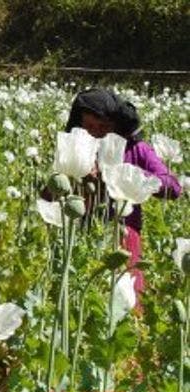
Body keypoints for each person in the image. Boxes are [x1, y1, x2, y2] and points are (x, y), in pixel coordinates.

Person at [63, 88, 181, 296]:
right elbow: (49, 197)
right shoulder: (76, 151)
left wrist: (127, 175)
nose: (96, 133)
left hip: (125, 238)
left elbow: (173, 187)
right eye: (89, 126)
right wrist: (77, 179)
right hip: (82, 239)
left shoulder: (136, 150)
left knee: (128, 305)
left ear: (116, 125)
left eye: (103, 127)